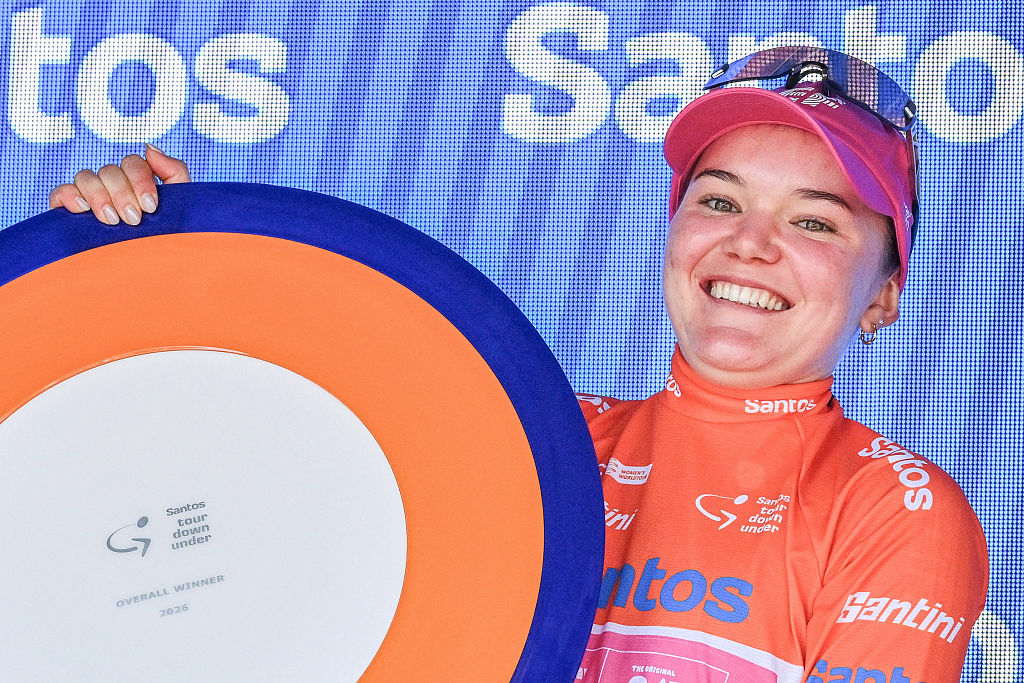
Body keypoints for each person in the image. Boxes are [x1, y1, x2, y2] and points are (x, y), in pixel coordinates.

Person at [48, 47, 987, 682]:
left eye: (815, 221)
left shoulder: (896, 510)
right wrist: (149, 260)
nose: (750, 243)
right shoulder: (527, 428)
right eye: (718, 200)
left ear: (883, 295)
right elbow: (211, 496)